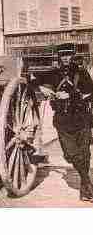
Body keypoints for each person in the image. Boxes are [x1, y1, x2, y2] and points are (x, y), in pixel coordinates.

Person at [38, 43, 93, 202]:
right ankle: (87, 181)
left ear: (73, 56)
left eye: (69, 55)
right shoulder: (53, 73)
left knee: (84, 154)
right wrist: (43, 89)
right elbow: (33, 81)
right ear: (59, 57)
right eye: (63, 55)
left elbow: (91, 93)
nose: (66, 58)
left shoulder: (81, 72)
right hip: (62, 121)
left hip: (81, 118)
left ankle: (86, 186)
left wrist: (71, 96)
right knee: (70, 155)